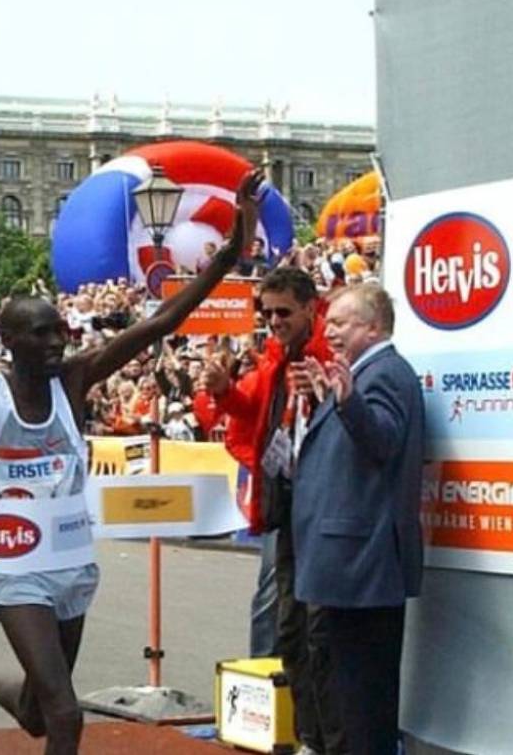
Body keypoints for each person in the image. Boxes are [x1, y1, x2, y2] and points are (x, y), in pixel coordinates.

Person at [0, 171, 262, 754]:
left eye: (60, 331)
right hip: (13, 566)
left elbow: (161, 322)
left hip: (69, 561)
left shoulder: (75, 380)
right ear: (10, 341)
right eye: (41, 334)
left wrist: (230, 253)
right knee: (66, 714)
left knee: (39, 713)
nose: (56, 342)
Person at [201, 267, 336, 751]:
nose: (274, 321)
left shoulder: (328, 357)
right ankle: (306, 735)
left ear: (310, 309)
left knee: (317, 632)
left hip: (320, 515)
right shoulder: (277, 359)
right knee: (290, 628)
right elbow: (251, 413)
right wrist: (223, 390)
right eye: (268, 313)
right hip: (286, 510)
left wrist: (323, 394)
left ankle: (324, 738)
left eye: (283, 313)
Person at [294, 285, 424, 755]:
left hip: (363, 566)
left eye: (340, 322)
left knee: (364, 701)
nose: (328, 330)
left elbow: (383, 441)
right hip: (352, 564)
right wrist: (331, 399)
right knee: (352, 693)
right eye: (328, 321)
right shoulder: (359, 373)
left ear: (373, 327)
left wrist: (348, 402)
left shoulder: (385, 373)